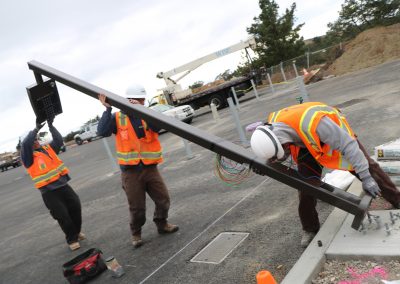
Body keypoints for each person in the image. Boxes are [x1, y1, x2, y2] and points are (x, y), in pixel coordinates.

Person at [250, 102, 400, 247]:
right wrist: (265, 164)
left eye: (281, 154)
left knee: (369, 168)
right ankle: (310, 228)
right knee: (305, 187)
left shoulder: (316, 124)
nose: (281, 158)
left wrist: (366, 178)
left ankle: (397, 199)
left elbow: (349, 145)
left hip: (337, 138)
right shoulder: (271, 130)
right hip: (306, 144)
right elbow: (269, 145)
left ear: (282, 142)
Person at [97, 84, 179, 248]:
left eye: (142, 100)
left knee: (163, 200)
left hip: (150, 168)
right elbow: (102, 131)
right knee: (137, 208)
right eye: (138, 100)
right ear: (128, 100)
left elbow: (157, 126)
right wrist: (107, 110)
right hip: (131, 172)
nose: (140, 102)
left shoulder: (146, 115)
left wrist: (145, 112)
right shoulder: (117, 117)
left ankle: (161, 224)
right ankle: (136, 233)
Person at [21, 117, 84, 251]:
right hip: (49, 192)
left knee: (76, 207)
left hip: (63, 185)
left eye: (36, 138)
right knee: (62, 215)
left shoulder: (47, 149)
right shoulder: (27, 156)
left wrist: (51, 125)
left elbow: (59, 140)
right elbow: (26, 144)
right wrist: (36, 128)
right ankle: (71, 239)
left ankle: (77, 232)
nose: (36, 141)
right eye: (33, 139)